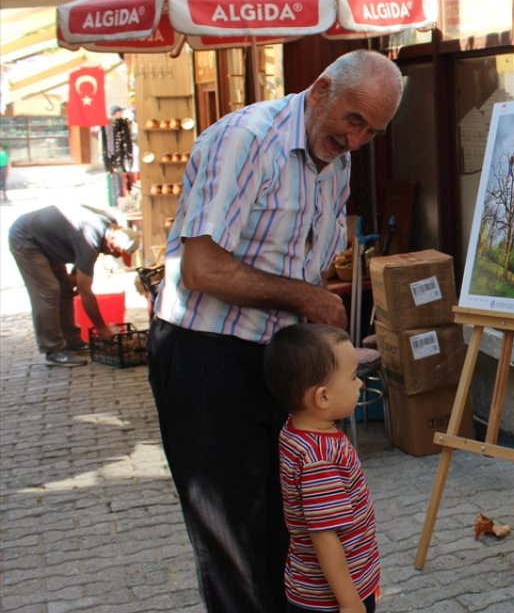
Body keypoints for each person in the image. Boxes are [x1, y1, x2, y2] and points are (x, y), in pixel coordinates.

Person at [147, 49, 403, 613]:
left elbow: (310, 261)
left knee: (290, 524)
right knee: (233, 536)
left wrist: (335, 350)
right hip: (204, 351)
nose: (357, 140)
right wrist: (306, 298)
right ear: (319, 91)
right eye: (353, 120)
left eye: (372, 132)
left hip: (274, 353)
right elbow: (202, 269)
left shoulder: (338, 155)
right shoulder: (244, 140)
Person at [265, 324, 380, 613]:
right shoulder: (319, 458)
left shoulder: (296, 431)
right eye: (353, 378)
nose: (359, 384)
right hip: (330, 600)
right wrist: (349, 601)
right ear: (323, 398)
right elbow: (324, 536)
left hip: (322, 589)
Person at [8, 204, 139, 366]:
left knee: (65, 289)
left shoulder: (110, 227)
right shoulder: (90, 236)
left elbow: (84, 254)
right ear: (111, 240)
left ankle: (72, 342)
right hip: (27, 239)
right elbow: (85, 291)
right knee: (48, 291)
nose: (116, 255)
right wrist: (101, 328)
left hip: (49, 243)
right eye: (117, 251)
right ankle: (53, 350)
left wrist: (73, 276)